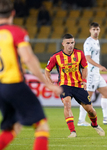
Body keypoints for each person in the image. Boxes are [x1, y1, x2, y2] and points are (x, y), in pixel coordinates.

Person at [0, 0, 63, 150]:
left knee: (12, 127)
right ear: (13, 13)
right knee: (41, 125)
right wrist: (47, 83)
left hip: (1, 87)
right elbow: (28, 58)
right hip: (14, 83)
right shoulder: (16, 32)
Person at [45, 33, 105, 138]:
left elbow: (85, 67)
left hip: (78, 85)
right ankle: (72, 132)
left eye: (72, 42)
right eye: (68, 43)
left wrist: (84, 80)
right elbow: (47, 71)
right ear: (63, 44)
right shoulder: (56, 56)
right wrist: (50, 82)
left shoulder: (79, 54)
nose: (70, 45)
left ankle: (95, 124)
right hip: (64, 85)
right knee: (67, 104)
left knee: (90, 110)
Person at [77, 22, 107, 126]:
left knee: (106, 93)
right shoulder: (88, 42)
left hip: (96, 73)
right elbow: (87, 58)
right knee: (88, 96)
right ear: (90, 30)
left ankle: (106, 118)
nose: (95, 31)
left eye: (97, 29)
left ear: (99, 30)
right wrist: (99, 66)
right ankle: (81, 120)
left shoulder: (96, 41)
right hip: (91, 73)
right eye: (93, 29)